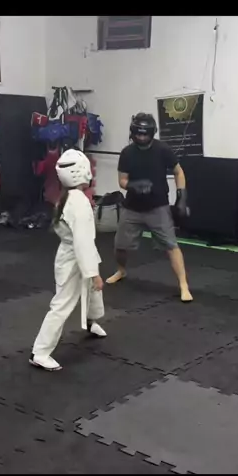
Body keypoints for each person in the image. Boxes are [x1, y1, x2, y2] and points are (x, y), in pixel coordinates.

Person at [30, 148, 106, 372]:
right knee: (62, 304)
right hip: (73, 257)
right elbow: (82, 243)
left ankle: (91, 322)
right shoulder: (78, 203)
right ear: (82, 172)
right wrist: (93, 274)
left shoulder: (68, 198)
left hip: (73, 253)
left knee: (92, 292)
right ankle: (40, 352)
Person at [106, 112, 193, 302]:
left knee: (171, 245)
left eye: (145, 134)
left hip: (158, 207)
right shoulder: (127, 153)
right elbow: (122, 180)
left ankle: (183, 285)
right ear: (133, 132)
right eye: (138, 133)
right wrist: (133, 185)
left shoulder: (163, 150)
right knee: (120, 246)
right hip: (132, 208)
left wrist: (182, 197)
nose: (142, 137)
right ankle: (121, 270)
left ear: (152, 132)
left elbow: (178, 172)